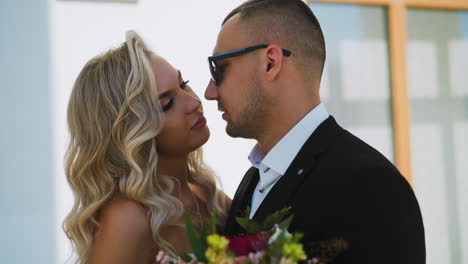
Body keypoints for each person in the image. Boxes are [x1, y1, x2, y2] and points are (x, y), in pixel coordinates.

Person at [204, 0, 425, 263]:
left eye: (219, 68)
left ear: (270, 63)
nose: (210, 92)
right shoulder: (251, 182)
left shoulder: (371, 187)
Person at [63, 30, 230, 264]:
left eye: (184, 85)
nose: (194, 102)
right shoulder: (128, 218)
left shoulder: (208, 196)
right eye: (167, 103)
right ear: (129, 131)